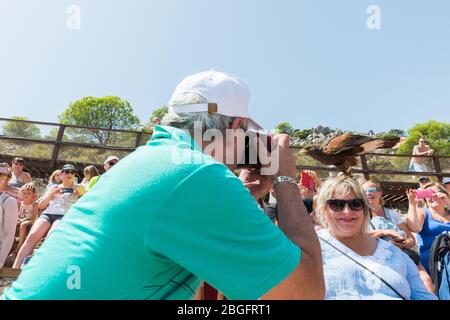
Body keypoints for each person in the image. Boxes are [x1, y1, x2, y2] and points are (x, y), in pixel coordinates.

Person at [2, 70, 324, 300]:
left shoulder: (154, 162)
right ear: (237, 126)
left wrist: (238, 198)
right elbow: (305, 294)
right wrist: (284, 178)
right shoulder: (196, 173)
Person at [315, 175, 436, 300]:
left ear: (365, 209)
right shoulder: (310, 250)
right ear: (323, 209)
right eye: (337, 204)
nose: (347, 211)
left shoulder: (394, 254)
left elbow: (423, 296)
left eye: (355, 204)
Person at [12, 164, 85, 268]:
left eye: (72, 172)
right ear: (61, 174)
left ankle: (39, 267)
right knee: (32, 237)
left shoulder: (80, 187)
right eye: (67, 172)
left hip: (64, 215)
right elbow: (41, 205)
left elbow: (85, 204)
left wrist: (78, 194)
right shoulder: (53, 187)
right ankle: (15, 268)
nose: (70, 174)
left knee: (51, 237)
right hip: (48, 214)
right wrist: (52, 194)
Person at [406, 182, 450, 274]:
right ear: (425, 198)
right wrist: (412, 204)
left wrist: (448, 202)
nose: (433, 196)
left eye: (436, 193)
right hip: (433, 261)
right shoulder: (424, 212)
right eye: (429, 194)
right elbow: (415, 228)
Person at [0, 164, 20, 268]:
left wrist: (0, 261)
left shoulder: (9, 201)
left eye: (2, 175)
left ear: (8, 178)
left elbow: (9, 234)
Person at [15, 183, 39, 254]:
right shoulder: (20, 203)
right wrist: (17, 219)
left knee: (23, 224)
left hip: (31, 221)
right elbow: (17, 213)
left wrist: (22, 220)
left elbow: (33, 216)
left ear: (33, 195)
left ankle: (19, 247)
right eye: (24, 193)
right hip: (21, 220)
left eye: (29, 193)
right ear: (21, 194)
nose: (26, 195)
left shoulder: (35, 204)